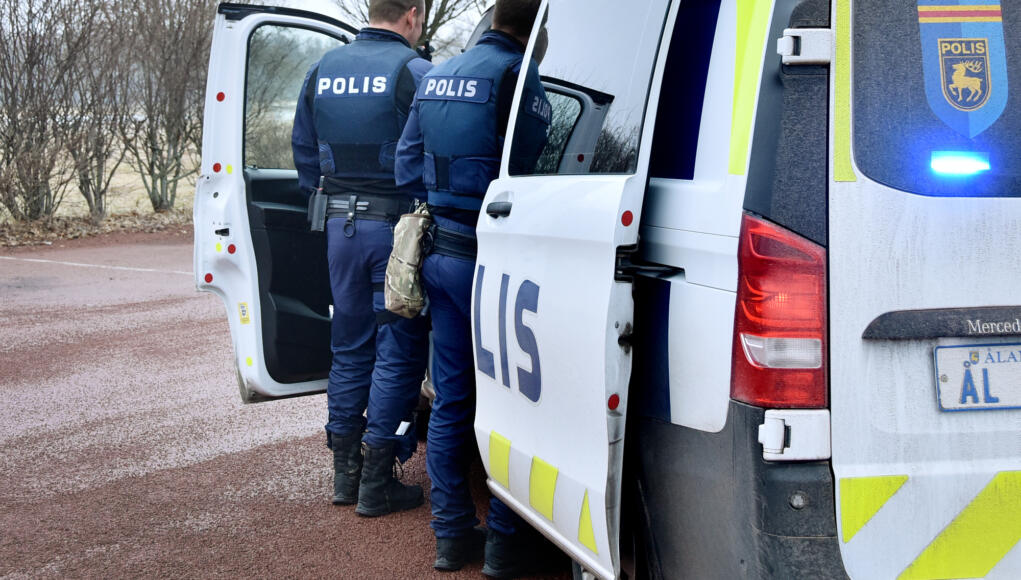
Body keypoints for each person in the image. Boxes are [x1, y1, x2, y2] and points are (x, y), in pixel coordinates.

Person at [394, 0, 550, 575]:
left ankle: (452, 535)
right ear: (537, 28)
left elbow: (406, 166)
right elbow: (535, 172)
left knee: (454, 397)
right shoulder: (516, 74)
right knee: (510, 402)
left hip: (439, 253)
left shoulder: (439, 73)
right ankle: (506, 544)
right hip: (494, 259)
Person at [291, 0, 432, 518]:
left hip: (339, 229)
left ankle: (344, 474)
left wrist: (329, 198)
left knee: (348, 346)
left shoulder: (322, 69)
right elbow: (432, 152)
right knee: (398, 350)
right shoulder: (415, 71)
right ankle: (378, 480)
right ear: (412, 15)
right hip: (394, 233)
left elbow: (303, 152)